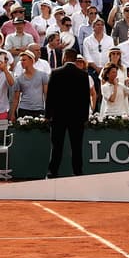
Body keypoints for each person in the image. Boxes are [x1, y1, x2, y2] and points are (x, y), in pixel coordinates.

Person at [46, 49, 92, 177]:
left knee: (57, 147)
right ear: (74, 58)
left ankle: (52, 172)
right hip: (77, 117)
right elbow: (85, 99)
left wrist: (48, 115)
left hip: (58, 117)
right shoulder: (83, 75)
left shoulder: (55, 73)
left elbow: (50, 97)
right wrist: (85, 117)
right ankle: (78, 172)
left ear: (65, 57)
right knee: (77, 147)